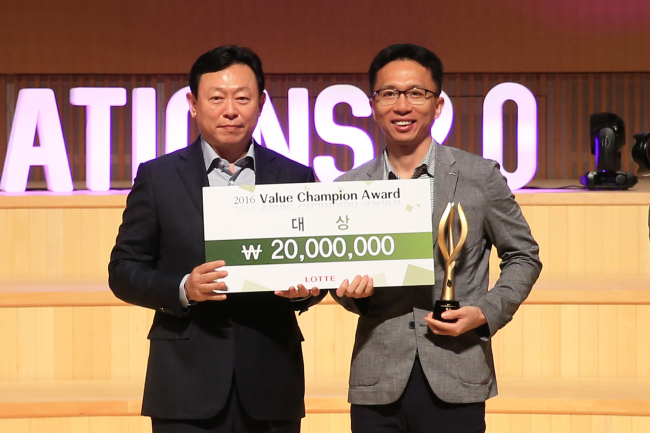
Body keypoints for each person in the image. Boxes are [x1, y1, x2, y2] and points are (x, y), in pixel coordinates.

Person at [108, 45, 323, 433]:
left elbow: (317, 267)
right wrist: (183, 288)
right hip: (184, 384)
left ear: (260, 104)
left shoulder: (296, 177)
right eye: (217, 98)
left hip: (271, 381)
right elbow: (123, 270)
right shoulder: (158, 178)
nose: (230, 110)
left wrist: (305, 292)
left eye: (242, 98)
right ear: (193, 103)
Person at [332, 44, 542, 433]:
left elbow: (524, 255)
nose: (402, 106)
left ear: (438, 104)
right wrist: (348, 293)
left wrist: (486, 312)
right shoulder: (349, 186)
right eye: (389, 93)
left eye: (416, 93)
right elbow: (341, 280)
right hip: (377, 381)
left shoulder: (479, 176)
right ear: (372, 103)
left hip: (457, 373)